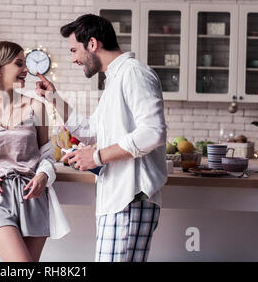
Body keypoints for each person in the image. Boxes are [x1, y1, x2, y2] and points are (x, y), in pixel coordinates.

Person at [35, 14, 167, 262]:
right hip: (120, 199)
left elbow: (153, 132)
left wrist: (96, 156)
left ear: (93, 44)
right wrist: (54, 98)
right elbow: (91, 130)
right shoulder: (115, 79)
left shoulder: (133, 73)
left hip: (129, 198)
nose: (73, 58)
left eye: (75, 50)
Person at [0, 41, 70, 262]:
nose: (26, 70)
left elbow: (46, 156)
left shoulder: (36, 107)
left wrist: (43, 175)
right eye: (19, 64)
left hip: (32, 196)